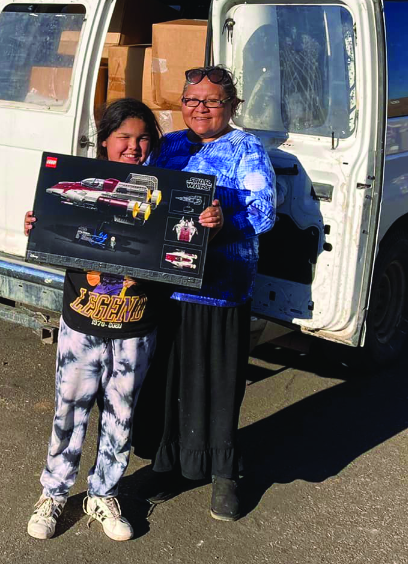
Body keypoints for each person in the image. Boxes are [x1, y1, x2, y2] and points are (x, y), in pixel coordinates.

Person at [24, 98, 185, 542]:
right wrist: (38, 226)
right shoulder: (75, 181)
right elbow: (57, 235)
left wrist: (207, 219)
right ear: (105, 142)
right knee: (68, 411)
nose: (134, 147)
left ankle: (103, 492)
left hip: (137, 326)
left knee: (121, 414)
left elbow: (181, 249)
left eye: (143, 139)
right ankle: (55, 493)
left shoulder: (166, 189)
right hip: (83, 322)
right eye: (124, 138)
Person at [139, 65, 283, 521]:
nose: (200, 109)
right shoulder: (169, 145)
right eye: (191, 100)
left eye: (212, 101)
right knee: (169, 382)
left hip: (220, 289)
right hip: (168, 287)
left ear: (231, 106)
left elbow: (263, 213)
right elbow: (141, 194)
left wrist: (225, 223)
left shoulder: (245, 148)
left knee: (218, 384)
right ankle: (172, 465)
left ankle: (224, 472)